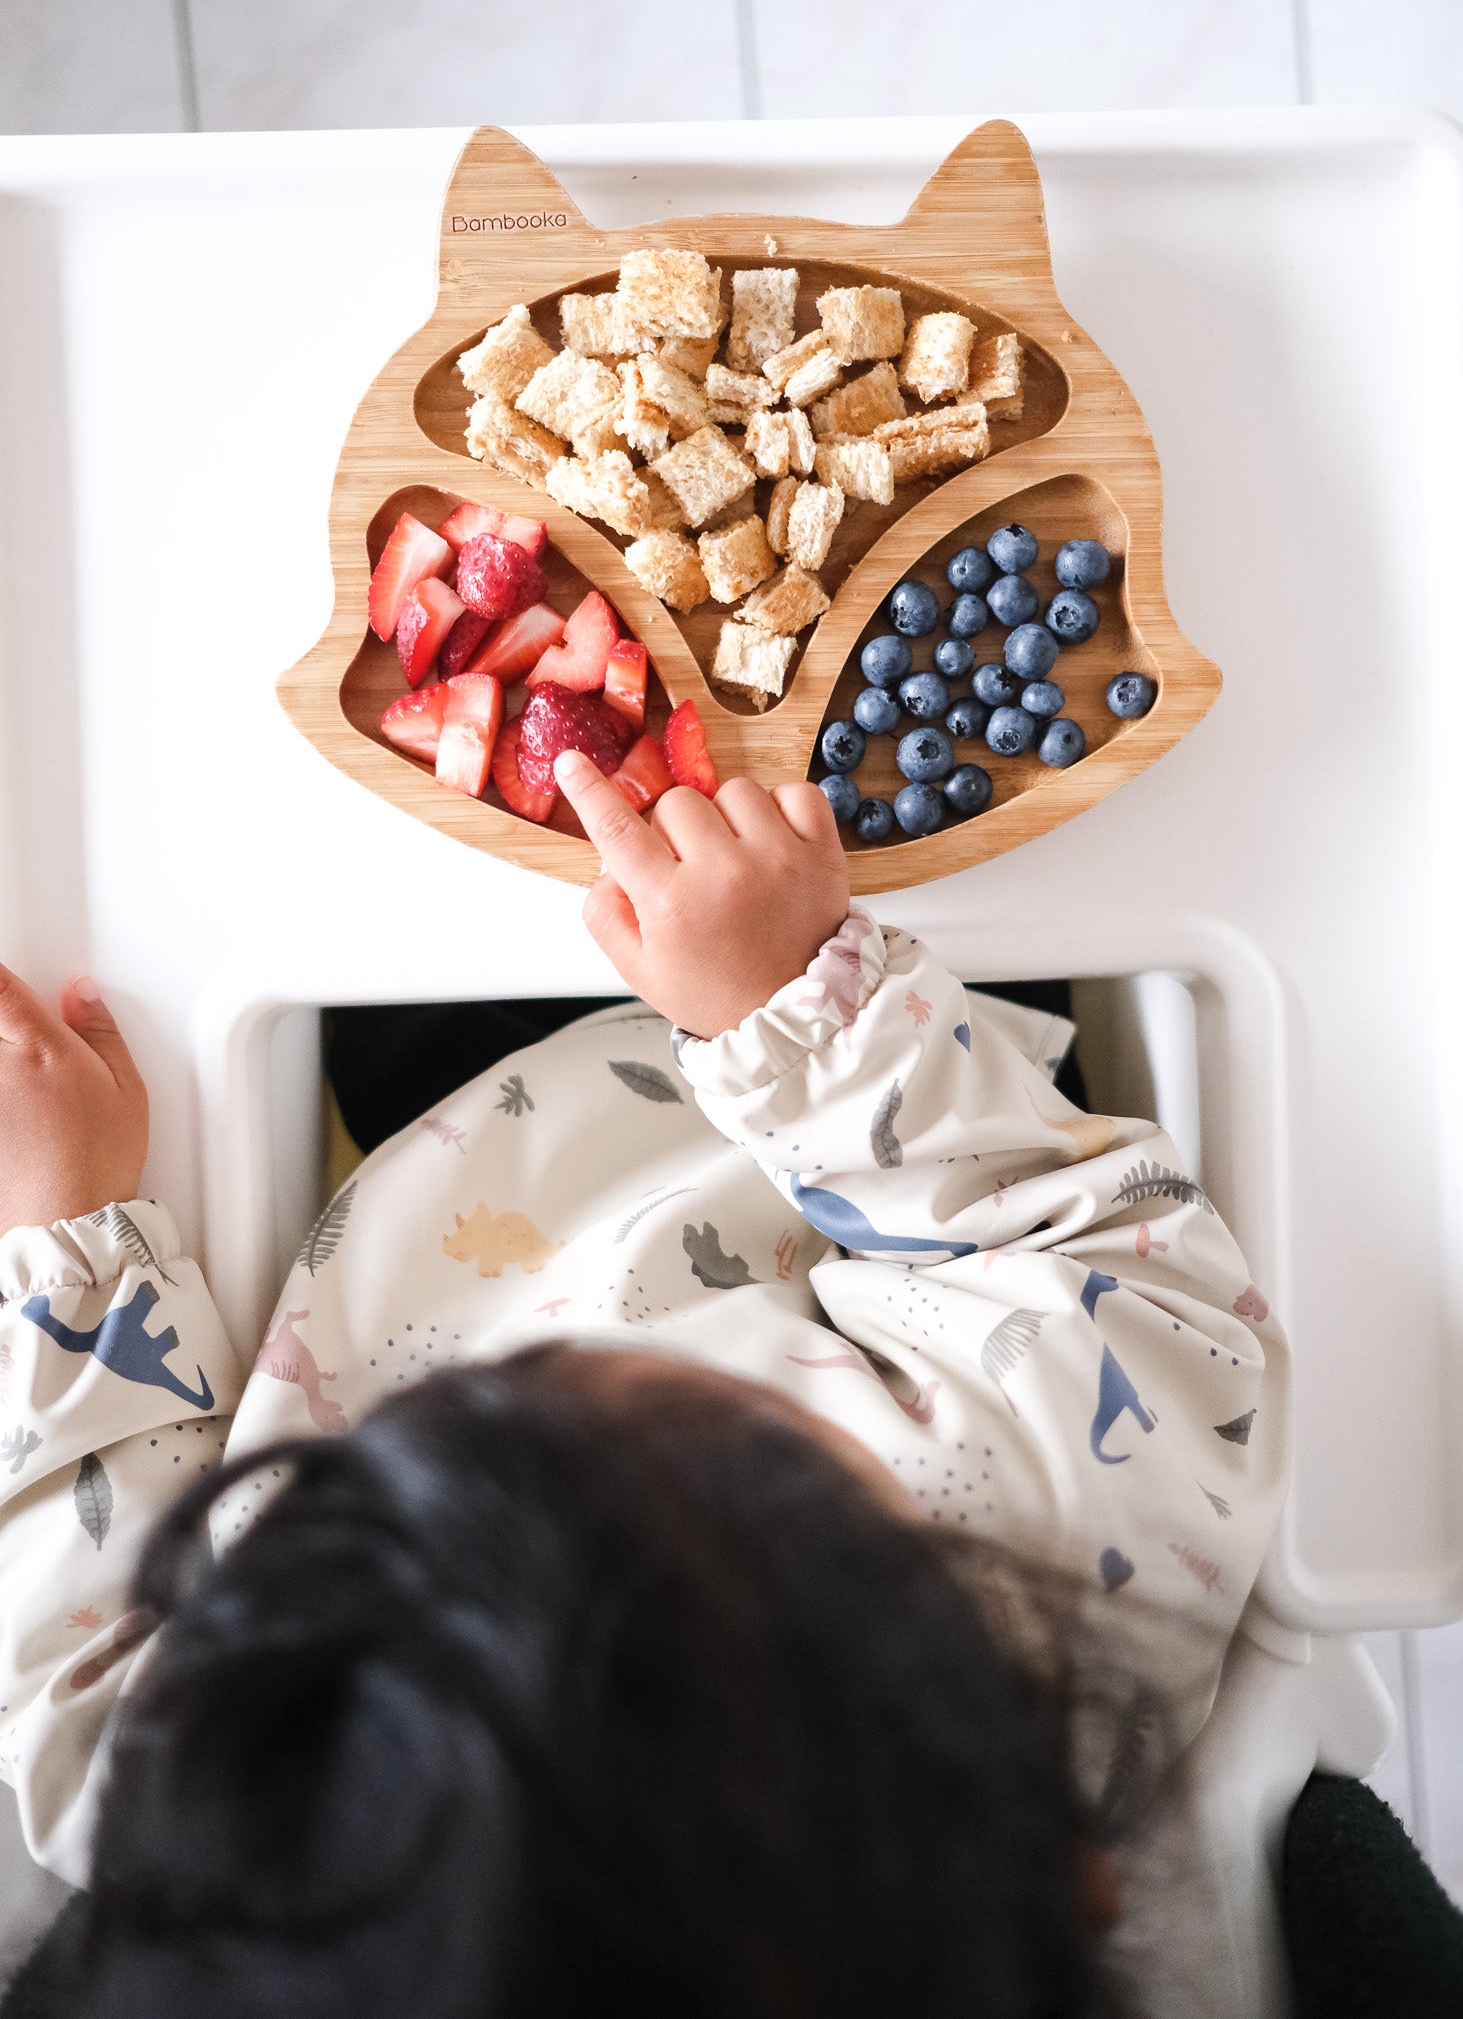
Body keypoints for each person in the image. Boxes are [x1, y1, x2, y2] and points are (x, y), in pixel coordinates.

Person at [0, 753, 1288, 2014]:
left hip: (453, 1115)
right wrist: (798, 1010)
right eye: (753, 1474)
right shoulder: (1052, 1571)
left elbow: (81, 1647)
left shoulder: (201, 1809)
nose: (541, 1378)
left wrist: (69, 1240)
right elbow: (1105, 1257)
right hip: (886, 1045)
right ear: (1066, 1873)